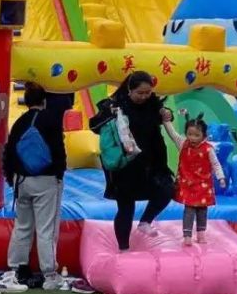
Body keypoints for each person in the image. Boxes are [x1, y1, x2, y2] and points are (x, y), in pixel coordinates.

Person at [90, 71, 172, 251]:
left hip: (151, 162)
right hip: (125, 165)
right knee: (126, 207)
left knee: (167, 189)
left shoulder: (153, 104)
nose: (144, 97)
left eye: (147, 92)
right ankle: (123, 248)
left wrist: (167, 113)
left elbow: (165, 115)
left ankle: (145, 221)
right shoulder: (115, 105)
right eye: (140, 93)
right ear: (129, 90)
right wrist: (109, 115)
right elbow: (94, 126)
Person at [1, 82, 68, 290]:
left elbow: (9, 151)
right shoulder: (51, 120)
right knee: (46, 229)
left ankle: (15, 269)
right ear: (44, 100)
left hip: (22, 181)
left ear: (26, 102)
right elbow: (58, 150)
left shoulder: (20, 122)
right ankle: (49, 273)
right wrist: (59, 173)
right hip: (46, 181)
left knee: (22, 226)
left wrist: (10, 176)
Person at [161, 112, 225, 246]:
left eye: (197, 135)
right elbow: (173, 134)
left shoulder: (208, 149)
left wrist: (221, 178)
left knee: (202, 210)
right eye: (190, 134)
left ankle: (201, 234)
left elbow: (216, 164)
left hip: (203, 185)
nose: (193, 138)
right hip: (188, 184)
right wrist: (166, 121)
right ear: (186, 134)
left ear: (204, 136)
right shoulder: (183, 144)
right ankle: (187, 236)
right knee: (189, 209)